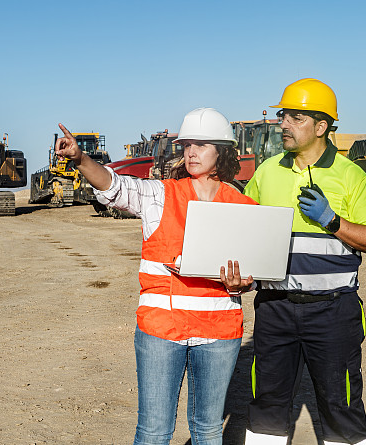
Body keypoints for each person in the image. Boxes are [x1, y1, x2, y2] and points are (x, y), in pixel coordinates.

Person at [54, 108, 255, 445]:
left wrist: (244, 282)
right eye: (187, 144)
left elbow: (253, 271)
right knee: (154, 432)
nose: (191, 152)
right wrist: (81, 158)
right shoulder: (161, 195)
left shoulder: (243, 206)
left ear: (222, 152)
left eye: (201, 145)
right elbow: (115, 186)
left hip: (219, 330)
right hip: (162, 329)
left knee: (207, 429)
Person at [242, 78, 366, 445]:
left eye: (295, 117)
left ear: (321, 127)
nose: (283, 124)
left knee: (341, 405)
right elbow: (242, 230)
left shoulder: (351, 176)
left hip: (333, 313)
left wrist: (332, 221)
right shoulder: (267, 172)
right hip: (275, 309)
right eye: (282, 115)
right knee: (266, 405)